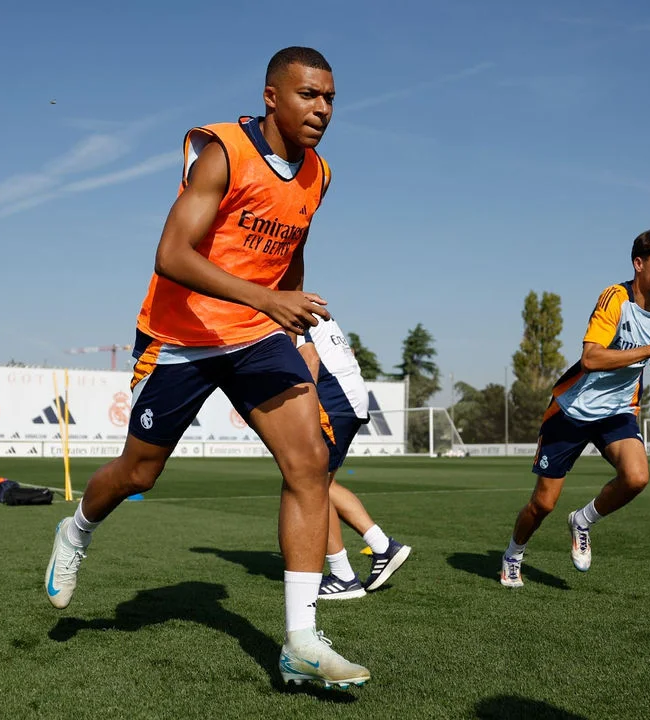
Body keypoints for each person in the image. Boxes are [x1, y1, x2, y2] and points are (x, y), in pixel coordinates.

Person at [42, 47, 370, 688]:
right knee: (141, 473)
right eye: (308, 95)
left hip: (255, 333)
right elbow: (170, 254)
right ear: (272, 96)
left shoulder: (319, 175)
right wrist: (268, 299)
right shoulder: (223, 150)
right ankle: (76, 529)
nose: (323, 109)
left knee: (309, 462)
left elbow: (291, 241)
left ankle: (301, 641)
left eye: (330, 97)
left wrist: (291, 320)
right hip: (180, 334)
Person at [501, 230, 650, 586]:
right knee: (542, 505)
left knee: (637, 477)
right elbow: (590, 358)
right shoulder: (615, 298)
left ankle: (583, 520)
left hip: (618, 411)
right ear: (638, 264)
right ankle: (513, 553)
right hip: (572, 410)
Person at [293, 316, 411, 600]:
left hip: (334, 399)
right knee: (322, 484)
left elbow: (310, 360)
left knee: (313, 486)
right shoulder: (310, 308)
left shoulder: (288, 311)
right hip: (349, 396)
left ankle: (345, 576)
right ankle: (381, 546)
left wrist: (301, 413)